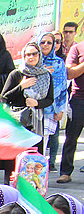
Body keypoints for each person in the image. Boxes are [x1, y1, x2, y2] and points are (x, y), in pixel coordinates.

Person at [0, 42, 54, 178]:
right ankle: (10, 187)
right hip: (17, 123)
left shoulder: (46, 75)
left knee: (32, 159)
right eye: (28, 54)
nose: (31, 57)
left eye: (34, 54)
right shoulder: (16, 74)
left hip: (35, 124)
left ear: (39, 55)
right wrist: (21, 86)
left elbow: (50, 99)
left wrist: (37, 103)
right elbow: (4, 97)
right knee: (13, 160)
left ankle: (31, 189)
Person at [39, 32, 69, 173]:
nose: (45, 45)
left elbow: (62, 88)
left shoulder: (59, 63)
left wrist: (60, 109)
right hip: (33, 110)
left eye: (49, 43)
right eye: (43, 42)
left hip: (51, 110)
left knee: (44, 144)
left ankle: (40, 178)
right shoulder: (33, 60)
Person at [57, 36, 84, 183]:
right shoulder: (77, 49)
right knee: (71, 138)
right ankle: (66, 172)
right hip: (79, 99)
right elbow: (70, 73)